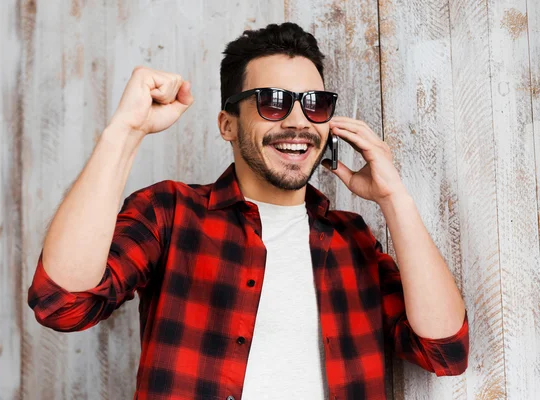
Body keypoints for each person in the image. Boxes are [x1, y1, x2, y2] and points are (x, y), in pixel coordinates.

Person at [28, 22, 469, 400]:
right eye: (273, 102)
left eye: (313, 105)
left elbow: (444, 351)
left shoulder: (351, 239)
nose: (298, 122)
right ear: (228, 125)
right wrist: (125, 131)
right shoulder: (171, 213)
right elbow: (62, 303)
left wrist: (395, 199)